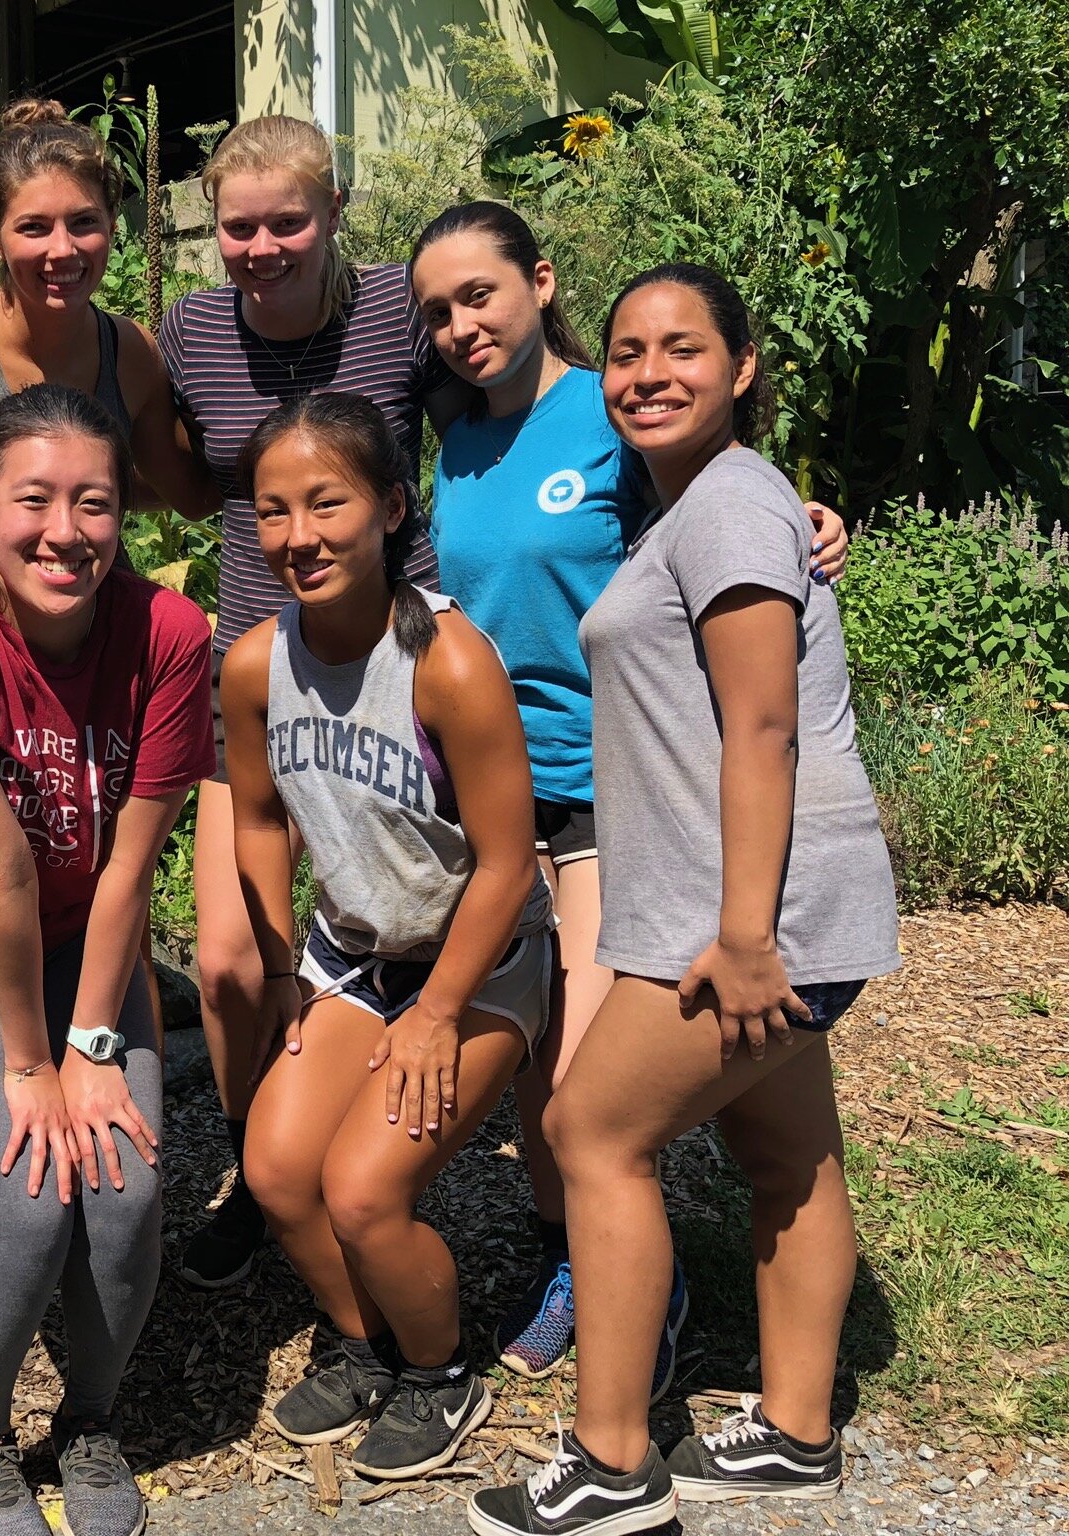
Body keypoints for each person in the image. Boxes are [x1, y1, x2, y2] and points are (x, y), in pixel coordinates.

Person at [468, 266, 899, 1536]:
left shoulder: (724, 507)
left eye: (682, 349)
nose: (649, 372)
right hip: (755, 905)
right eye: (625, 352)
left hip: (754, 915)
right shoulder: (702, 509)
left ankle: (608, 1466)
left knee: (591, 1135)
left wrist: (746, 936)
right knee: (783, 1158)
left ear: (743, 367)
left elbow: (760, 731)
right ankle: (795, 1432)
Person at [407, 201, 850, 1396]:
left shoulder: (608, 415)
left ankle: (629, 1328)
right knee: (540, 1066)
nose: (459, 325)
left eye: (480, 295)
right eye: (437, 309)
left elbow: (718, 519)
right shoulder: (450, 442)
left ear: (538, 283)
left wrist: (807, 522)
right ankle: (579, 1262)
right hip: (496, 808)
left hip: (614, 798)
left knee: (583, 1089)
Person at [0, 387, 213, 1536]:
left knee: (125, 1191)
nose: (65, 530)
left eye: (94, 503)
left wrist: (93, 1045)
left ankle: (91, 1420)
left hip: (81, 946)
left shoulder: (168, 636)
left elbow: (129, 865)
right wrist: (30, 1066)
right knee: (24, 1202)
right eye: (33, 501)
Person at [157, 113, 468, 1288]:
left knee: (443, 908)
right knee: (234, 961)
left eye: (287, 220)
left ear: (333, 213)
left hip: (397, 649)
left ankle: (425, 1159)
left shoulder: (396, 310)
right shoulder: (189, 332)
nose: (260, 245)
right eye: (237, 225)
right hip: (256, 656)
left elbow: (506, 400)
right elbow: (183, 476)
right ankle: (258, 1166)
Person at [224, 392, 552, 1478]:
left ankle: (437, 1369)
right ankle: (365, 1345)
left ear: (388, 508)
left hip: (477, 958)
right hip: (351, 954)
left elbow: (506, 863)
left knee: (364, 1192)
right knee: (276, 1173)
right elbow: (258, 818)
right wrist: (280, 970)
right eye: (273, 512)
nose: (298, 536)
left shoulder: (447, 664)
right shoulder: (253, 665)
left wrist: (439, 1016)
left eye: (326, 503)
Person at [0, 99, 212, 509]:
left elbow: (192, 498)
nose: (63, 249)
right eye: (33, 227)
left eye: (84, 221)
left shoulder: (131, 352)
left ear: (113, 224)